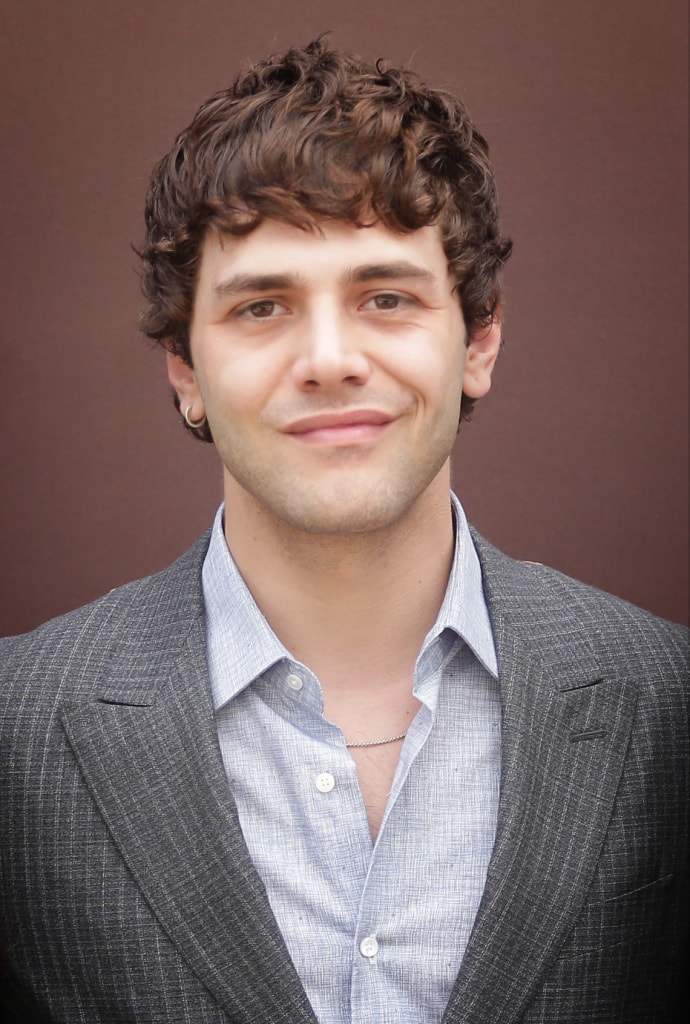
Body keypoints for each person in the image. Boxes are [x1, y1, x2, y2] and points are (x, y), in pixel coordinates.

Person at [0, 38, 687, 1024]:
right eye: (262, 306)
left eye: (387, 297)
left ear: (479, 340)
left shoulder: (670, 702)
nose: (329, 358)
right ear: (185, 370)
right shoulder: (15, 729)